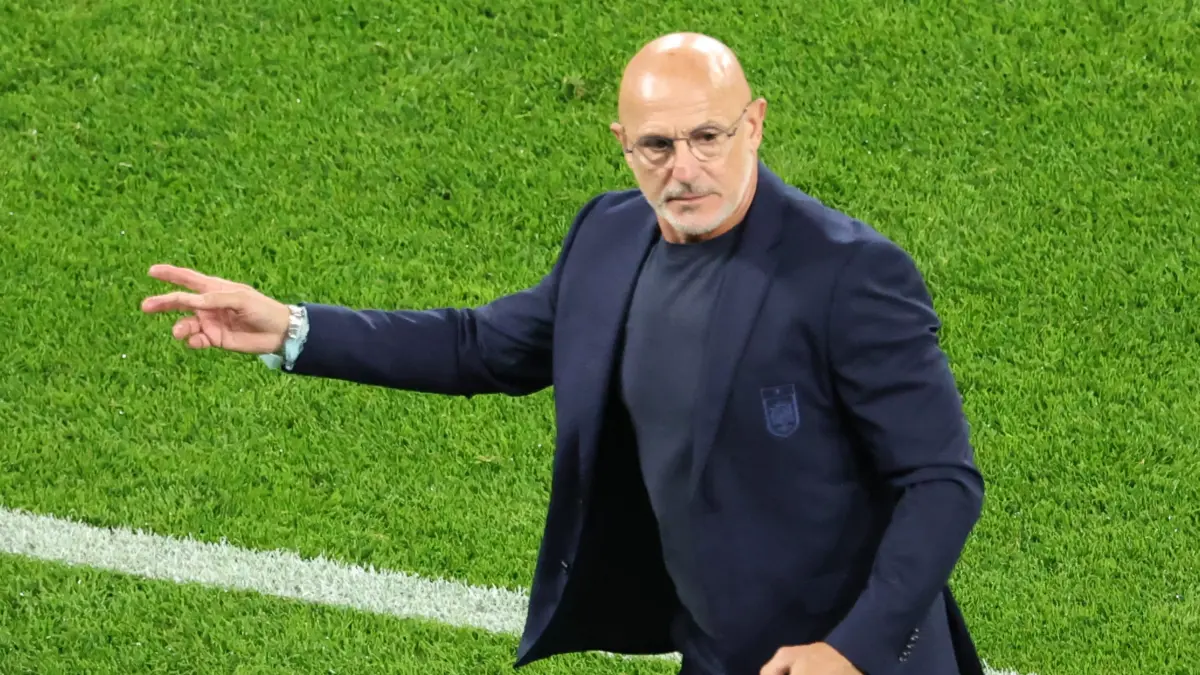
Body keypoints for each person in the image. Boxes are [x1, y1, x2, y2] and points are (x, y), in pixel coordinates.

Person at [142, 32, 986, 675]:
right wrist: (292, 328)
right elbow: (479, 345)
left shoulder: (847, 273)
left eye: (709, 136)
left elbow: (941, 479)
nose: (685, 168)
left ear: (754, 124)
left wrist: (850, 649)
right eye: (658, 146)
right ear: (623, 141)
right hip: (719, 651)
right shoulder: (609, 238)